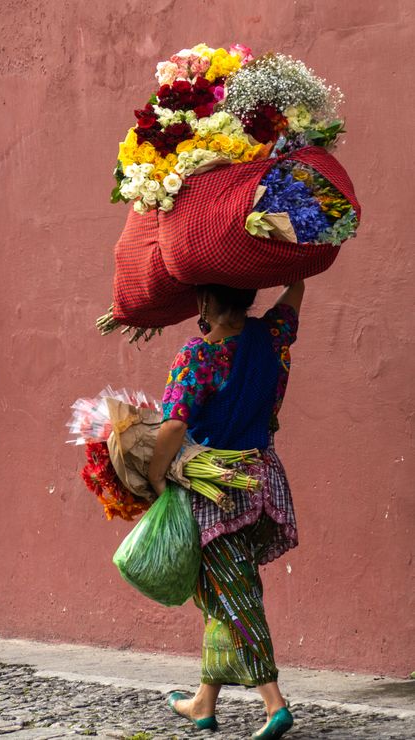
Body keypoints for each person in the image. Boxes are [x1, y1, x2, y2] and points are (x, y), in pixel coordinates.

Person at [147, 280, 305, 739]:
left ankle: (274, 703)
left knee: (235, 594)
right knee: (220, 593)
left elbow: (175, 423)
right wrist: (295, 267)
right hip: (265, 484)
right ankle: (202, 702)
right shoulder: (273, 336)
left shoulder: (198, 357)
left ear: (204, 301)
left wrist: (157, 476)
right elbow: (294, 297)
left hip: (218, 490)